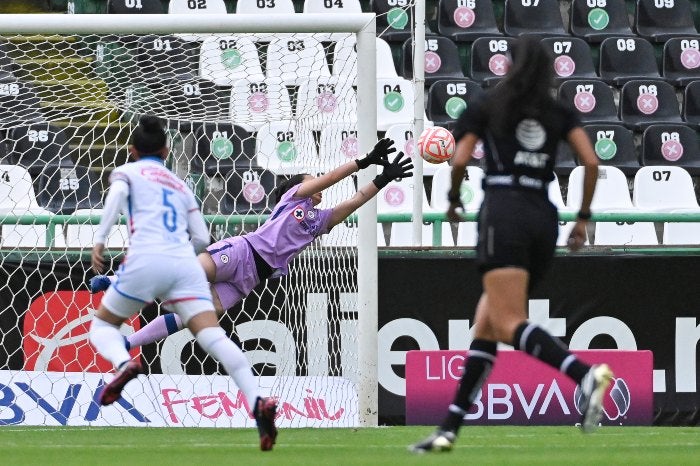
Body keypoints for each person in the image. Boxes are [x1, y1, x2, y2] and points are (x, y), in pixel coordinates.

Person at [410, 36, 613, 453]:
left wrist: (450, 200)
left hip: (503, 214)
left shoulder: (489, 105)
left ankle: (584, 374)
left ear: (510, 66)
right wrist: (583, 217)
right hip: (543, 216)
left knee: (505, 321)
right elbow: (591, 162)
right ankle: (448, 428)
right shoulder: (558, 111)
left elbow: (461, 159)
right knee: (486, 324)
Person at [89, 138, 413, 351]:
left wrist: (382, 180)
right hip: (243, 252)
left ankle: (128, 343)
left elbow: (356, 199)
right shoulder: (292, 199)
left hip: (250, 279)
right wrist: (364, 161)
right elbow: (329, 179)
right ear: (299, 186)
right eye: (310, 178)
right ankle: (114, 281)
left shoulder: (320, 221)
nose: (318, 184)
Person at [88, 115, 278, 451]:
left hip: (145, 257)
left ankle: (124, 364)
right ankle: (258, 399)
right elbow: (203, 237)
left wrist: (100, 240)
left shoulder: (127, 172)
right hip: (185, 264)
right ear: (165, 150)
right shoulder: (180, 185)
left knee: (102, 328)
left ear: (132, 150)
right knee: (214, 337)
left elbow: (117, 196)